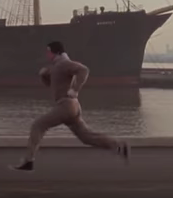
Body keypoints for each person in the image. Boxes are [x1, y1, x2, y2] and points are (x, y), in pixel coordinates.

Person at [9, 41, 130, 171]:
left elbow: (84, 70)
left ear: (54, 52)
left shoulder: (63, 63)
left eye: (48, 52)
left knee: (38, 125)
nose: (46, 54)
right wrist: (44, 76)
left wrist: (75, 89)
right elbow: (54, 87)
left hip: (65, 106)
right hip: (72, 107)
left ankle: (29, 161)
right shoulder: (56, 66)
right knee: (86, 137)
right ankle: (118, 146)